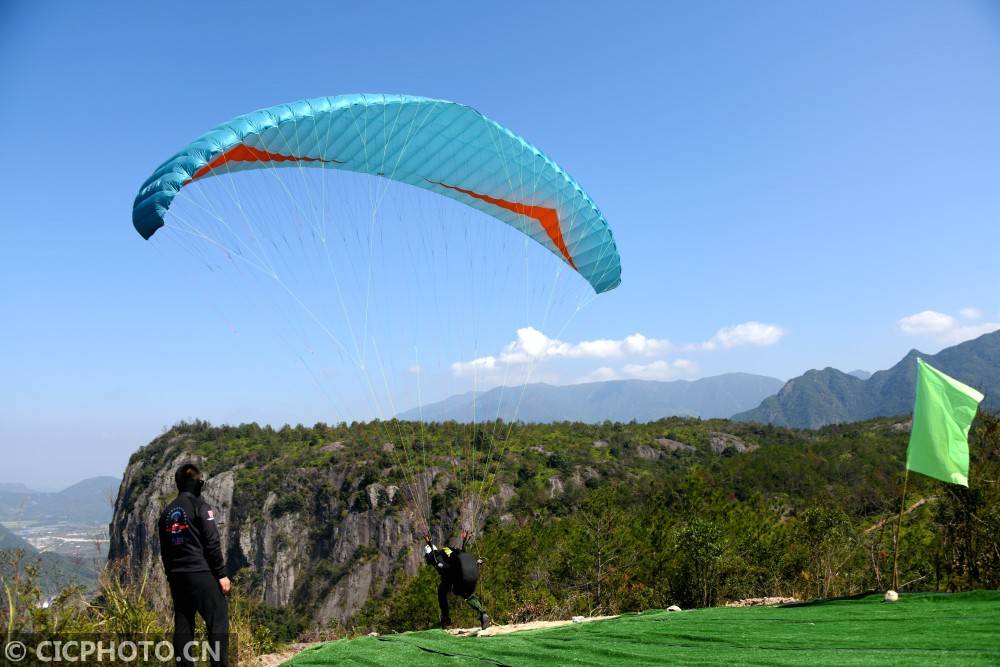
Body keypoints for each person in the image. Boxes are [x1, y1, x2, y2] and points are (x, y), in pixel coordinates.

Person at [159, 463, 230, 667]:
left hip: (177, 575)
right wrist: (221, 573)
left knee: (183, 624)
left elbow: (165, 550)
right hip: (201, 572)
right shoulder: (200, 507)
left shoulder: (167, 513)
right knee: (217, 622)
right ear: (196, 483)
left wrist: (170, 575)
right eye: (201, 481)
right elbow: (212, 541)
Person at [423, 530, 490, 630]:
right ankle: (483, 614)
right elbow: (460, 554)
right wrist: (464, 543)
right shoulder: (447, 549)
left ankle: (445, 619)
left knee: (442, 592)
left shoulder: (433, 557)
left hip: (449, 576)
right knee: (465, 593)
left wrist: (429, 544)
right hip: (459, 573)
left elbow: (433, 558)